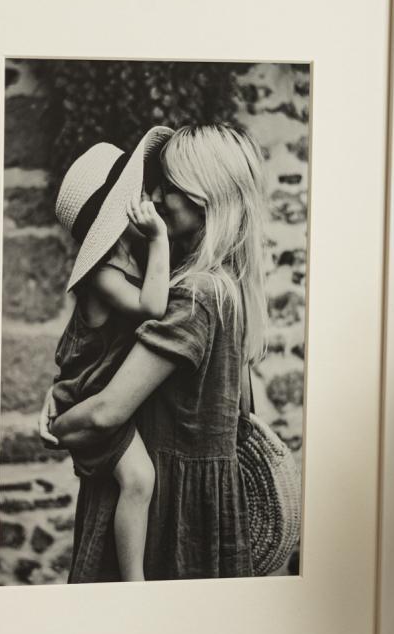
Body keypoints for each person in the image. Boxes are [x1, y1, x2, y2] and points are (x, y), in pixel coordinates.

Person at [45, 123, 270, 582]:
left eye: (170, 186)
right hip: (197, 503)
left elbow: (106, 413)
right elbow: (239, 414)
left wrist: (59, 424)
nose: (158, 197)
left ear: (203, 197)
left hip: (170, 513)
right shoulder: (224, 288)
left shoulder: (195, 296)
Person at [45, 127, 171, 581]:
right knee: (138, 479)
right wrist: (159, 239)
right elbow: (153, 306)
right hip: (91, 390)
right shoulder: (103, 275)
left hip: (101, 382)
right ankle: (133, 581)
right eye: (141, 195)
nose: (152, 199)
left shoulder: (130, 258)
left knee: (139, 480)